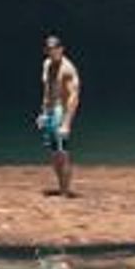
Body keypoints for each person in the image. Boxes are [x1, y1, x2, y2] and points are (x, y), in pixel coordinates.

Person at [38, 32, 81, 197]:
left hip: (61, 112)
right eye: (49, 49)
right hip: (50, 110)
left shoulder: (67, 69)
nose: (51, 52)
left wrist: (66, 123)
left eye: (55, 48)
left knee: (62, 152)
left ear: (61, 49)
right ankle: (61, 186)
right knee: (54, 152)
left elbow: (74, 97)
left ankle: (65, 191)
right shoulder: (47, 64)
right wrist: (42, 113)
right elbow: (47, 91)